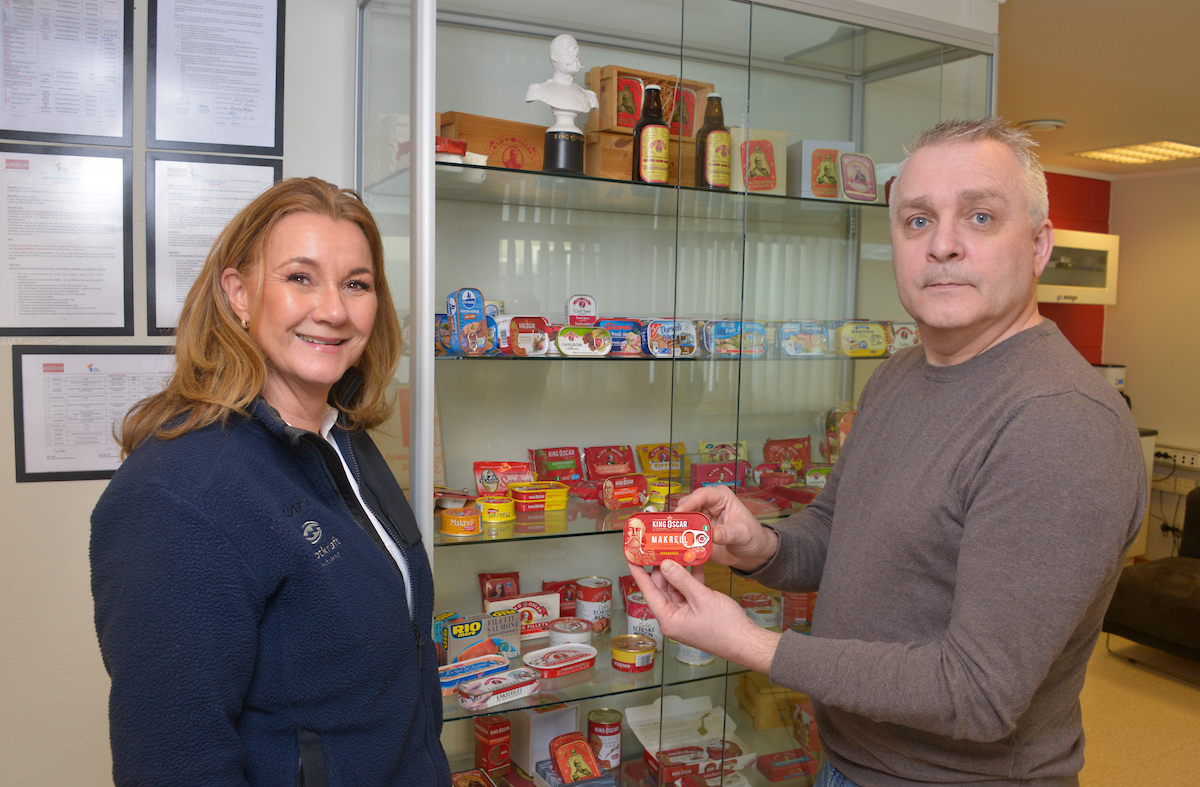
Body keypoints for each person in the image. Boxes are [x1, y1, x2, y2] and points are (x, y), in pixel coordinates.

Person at [629, 118, 1148, 787]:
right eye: (917, 220)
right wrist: (761, 545)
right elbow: (835, 531)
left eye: (981, 216)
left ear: (1039, 245)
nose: (944, 245)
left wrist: (754, 645)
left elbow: (978, 692)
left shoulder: (1060, 425)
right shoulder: (898, 374)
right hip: (849, 760)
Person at [91, 178, 451, 786]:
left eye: (356, 284)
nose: (334, 310)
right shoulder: (176, 495)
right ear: (239, 292)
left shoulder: (345, 440)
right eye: (300, 277)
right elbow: (174, 765)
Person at [525, 33, 599, 115]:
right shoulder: (538, 89)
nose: (575, 54)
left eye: (576, 49)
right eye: (567, 50)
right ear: (555, 57)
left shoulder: (589, 96)